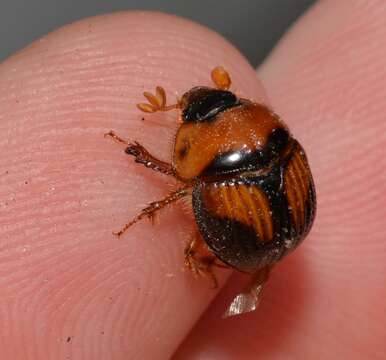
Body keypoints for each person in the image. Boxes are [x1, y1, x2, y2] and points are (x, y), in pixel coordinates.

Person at [0, 1, 384, 359]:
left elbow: (182, 176)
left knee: (186, 190)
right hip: (287, 232)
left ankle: (196, 257)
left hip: (252, 244)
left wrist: (139, 153)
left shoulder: (217, 167)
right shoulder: (278, 143)